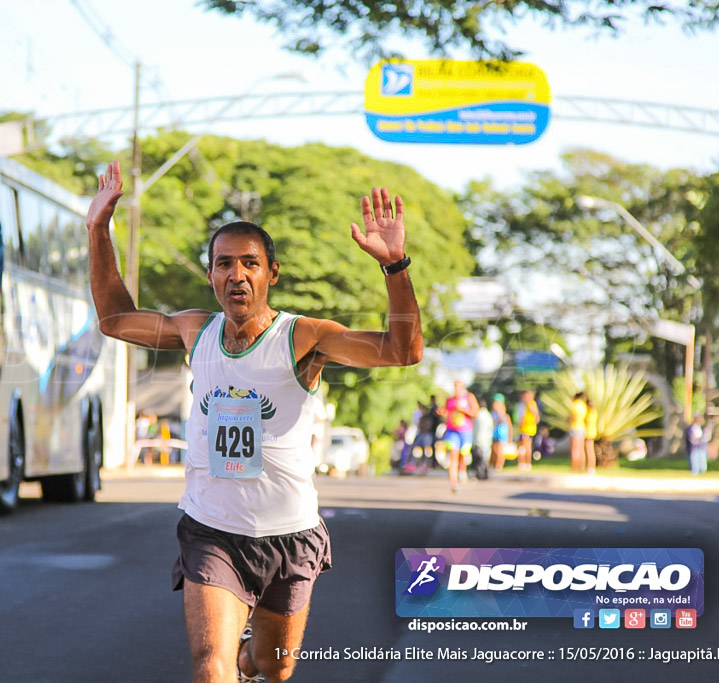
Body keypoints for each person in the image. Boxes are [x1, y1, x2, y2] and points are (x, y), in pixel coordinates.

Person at [85, 160, 423, 683]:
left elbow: (402, 351)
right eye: (224, 264)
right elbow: (114, 319)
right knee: (208, 667)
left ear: (271, 273)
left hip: (289, 533)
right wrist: (98, 229)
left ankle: (250, 660)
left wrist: (395, 266)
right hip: (211, 528)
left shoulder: (304, 337)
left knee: (273, 667)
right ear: (211, 274)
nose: (236, 275)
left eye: (249, 263)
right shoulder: (195, 329)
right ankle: (229, 662)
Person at [435, 380, 479, 492]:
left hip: (465, 432)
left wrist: (463, 410)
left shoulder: (469, 397)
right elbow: (446, 413)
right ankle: (453, 484)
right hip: (452, 431)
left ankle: (462, 470)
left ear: (463, 387)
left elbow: (475, 413)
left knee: (463, 454)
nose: (456, 389)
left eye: (459, 387)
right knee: (453, 457)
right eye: (455, 386)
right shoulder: (450, 400)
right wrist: (442, 412)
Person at [514, 389, 540, 471]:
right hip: (524, 428)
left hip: (527, 429)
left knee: (526, 446)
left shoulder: (530, 404)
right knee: (521, 446)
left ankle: (526, 463)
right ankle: (523, 463)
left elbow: (536, 415)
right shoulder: (526, 405)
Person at [489, 393, 513, 471]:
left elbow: (509, 427)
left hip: (502, 436)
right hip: (494, 434)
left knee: (499, 451)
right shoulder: (492, 414)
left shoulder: (505, 415)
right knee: (494, 450)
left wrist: (510, 438)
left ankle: (499, 465)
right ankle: (493, 464)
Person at [569, 392, 587, 472]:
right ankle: (582, 467)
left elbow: (573, 417)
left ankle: (574, 468)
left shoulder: (575, 405)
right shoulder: (584, 405)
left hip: (575, 427)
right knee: (581, 449)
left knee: (575, 449)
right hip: (582, 427)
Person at [584, 398, 598, 474]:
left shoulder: (589, 413)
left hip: (588, 433)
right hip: (592, 432)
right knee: (591, 451)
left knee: (589, 451)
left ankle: (590, 467)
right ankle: (591, 467)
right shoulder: (594, 412)